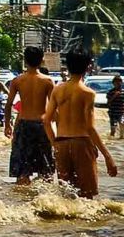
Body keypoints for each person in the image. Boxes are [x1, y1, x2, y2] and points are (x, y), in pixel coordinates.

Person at [43, 49, 117, 199]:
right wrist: (108, 157)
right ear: (88, 67)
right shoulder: (87, 93)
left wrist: (54, 143)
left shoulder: (58, 90)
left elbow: (46, 120)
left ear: (68, 66)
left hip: (61, 143)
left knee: (67, 196)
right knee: (87, 196)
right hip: (81, 144)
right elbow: (90, 127)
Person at [4, 46, 56, 185]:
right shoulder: (48, 81)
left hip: (23, 125)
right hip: (41, 125)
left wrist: (7, 125)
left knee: (22, 171)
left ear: (25, 60)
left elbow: (8, 105)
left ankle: (21, 201)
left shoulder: (17, 81)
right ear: (41, 61)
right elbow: (54, 107)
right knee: (46, 170)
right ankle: (47, 201)